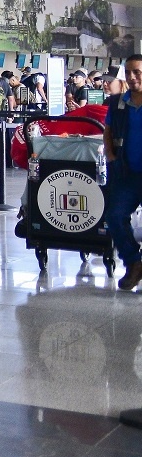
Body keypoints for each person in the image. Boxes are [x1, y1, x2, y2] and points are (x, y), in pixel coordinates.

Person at [102, 54, 142, 292]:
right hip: (126, 173)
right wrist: (110, 155)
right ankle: (134, 262)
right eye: (128, 72)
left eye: (137, 71)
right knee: (115, 216)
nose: (132, 76)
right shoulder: (118, 102)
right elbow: (108, 130)